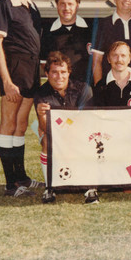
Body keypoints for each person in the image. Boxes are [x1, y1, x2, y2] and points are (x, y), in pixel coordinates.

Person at [0, 0, 44, 197]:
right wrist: (7, 81)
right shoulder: (4, 5)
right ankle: (10, 183)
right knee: (8, 124)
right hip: (14, 69)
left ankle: (21, 177)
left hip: (31, 71)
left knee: (21, 126)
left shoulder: (32, 7)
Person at [34, 51, 93, 204]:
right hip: (54, 132)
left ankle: (90, 186)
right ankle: (50, 187)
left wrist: (73, 134)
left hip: (79, 131)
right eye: (54, 72)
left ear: (69, 72)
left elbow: (87, 121)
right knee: (47, 140)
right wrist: (41, 115)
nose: (59, 76)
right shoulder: (41, 93)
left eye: (63, 72)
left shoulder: (83, 89)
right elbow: (44, 126)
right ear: (47, 73)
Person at [40, 0, 92, 83]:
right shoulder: (46, 32)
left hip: (85, 90)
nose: (66, 8)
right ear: (57, 5)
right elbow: (44, 64)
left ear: (77, 5)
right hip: (58, 90)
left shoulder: (91, 29)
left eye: (70, 4)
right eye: (62, 4)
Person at [93, 41, 131, 107]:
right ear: (108, 59)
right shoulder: (100, 86)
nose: (119, 59)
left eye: (123, 55)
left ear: (129, 59)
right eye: (115, 55)